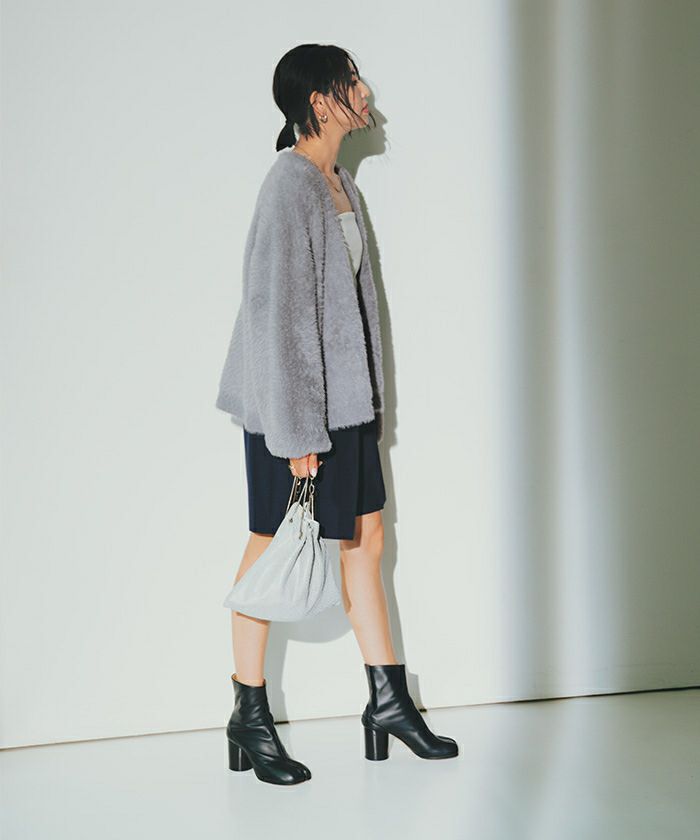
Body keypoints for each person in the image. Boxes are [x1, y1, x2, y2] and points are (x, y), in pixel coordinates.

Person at [215, 43, 458, 786]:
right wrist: (295, 434)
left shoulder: (339, 182)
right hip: (290, 408)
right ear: (320, 101)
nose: (365, 91)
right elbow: (275, 316)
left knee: (367, 539)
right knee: (271, 544)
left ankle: (388, 702)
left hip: (343, 404)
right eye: (351, 81)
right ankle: (248, 712)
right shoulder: (287, 185)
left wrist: (366, 407)